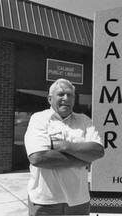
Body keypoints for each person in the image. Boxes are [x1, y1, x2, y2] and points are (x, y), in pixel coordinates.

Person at [24, 78, 104, 215]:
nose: (66, 98)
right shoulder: (39, 119)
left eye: (70, 95)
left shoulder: (84, 120)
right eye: (60, 94)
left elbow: (97, 151)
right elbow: (38, 158)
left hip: (79, 201)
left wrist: (63, 146)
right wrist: (82, 160)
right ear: (50, 99)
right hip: (46, 201)